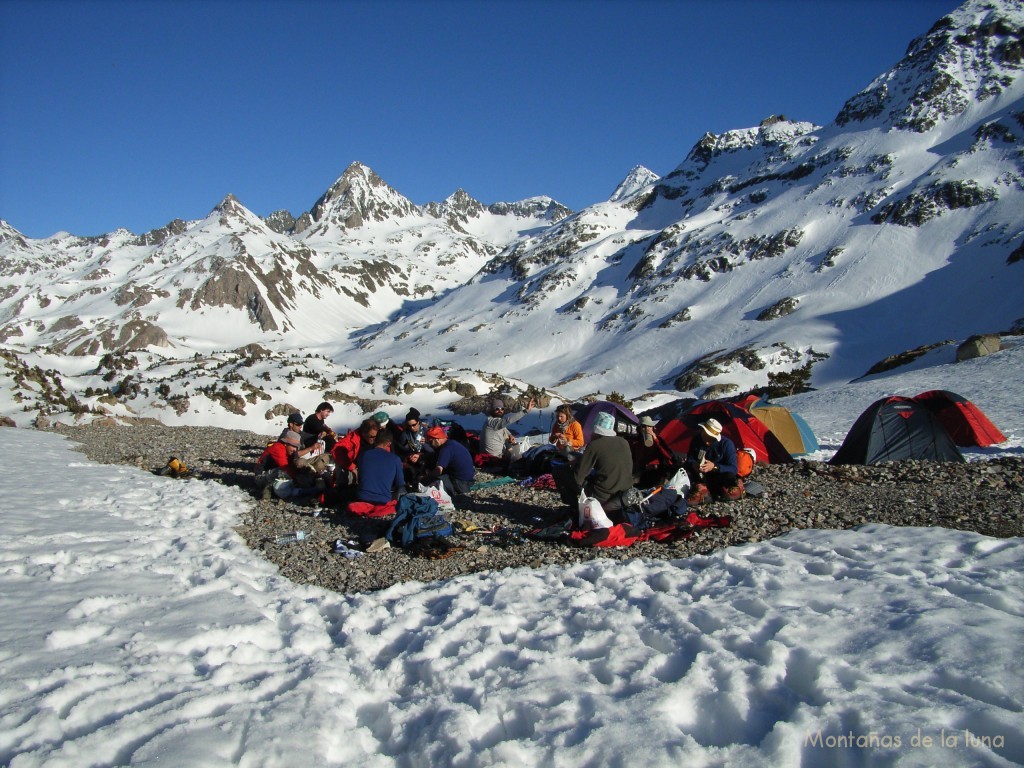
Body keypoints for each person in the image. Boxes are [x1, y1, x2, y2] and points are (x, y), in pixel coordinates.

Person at [254, 413, 324, 500]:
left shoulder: (288, 448)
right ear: (286, 444)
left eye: (296, 447)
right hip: (261, 476)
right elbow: (285, 467)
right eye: (293, 446)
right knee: (283, 473)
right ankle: (269, 488)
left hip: (273, 471)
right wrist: (299, 478)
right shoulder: (278, 448)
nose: (295, 449)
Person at [571, 411, 634, 509]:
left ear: (596, 429)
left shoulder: (594, 445)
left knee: (560, 471)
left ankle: (574, 509)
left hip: (603, 495)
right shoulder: (624, 442)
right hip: (626, 492)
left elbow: (578, 478)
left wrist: (575, 464)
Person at [683, 418, 743, 504]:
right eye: (704, 432)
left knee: (729, 475)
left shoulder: (726, 444)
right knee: (685, 471)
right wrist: (694, 465)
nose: (705, 436)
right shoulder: (696, 439)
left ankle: (733, 488)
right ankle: (703, 492)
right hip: (700, 474)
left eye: (709, 435)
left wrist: (714, 467)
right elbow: (689, 459)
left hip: (719, 475)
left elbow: (733, 468)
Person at [354, 430, 405, 505]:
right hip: (382, 501)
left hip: (361, 498)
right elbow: (400, 484)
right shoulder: (395, 459)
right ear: (388, 444)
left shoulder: (363, 455)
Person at [426, 425, 475, 499]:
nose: (430, 445)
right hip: (468, 479)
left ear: (436, 439)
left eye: (430, 442)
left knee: (433, 483)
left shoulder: (446, 449)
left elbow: (438, 470)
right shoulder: (451, 443)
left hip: (461, 483)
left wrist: (427, 477)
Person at [634, 415, 678, 487]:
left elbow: (669, 455)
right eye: (643, 427)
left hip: (657, 472)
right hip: (641, 472)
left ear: (653, 428)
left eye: (649, 426)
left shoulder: (658, 440)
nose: (646, 429)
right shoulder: (635, 442)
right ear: (639, 429)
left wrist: (655, 440)